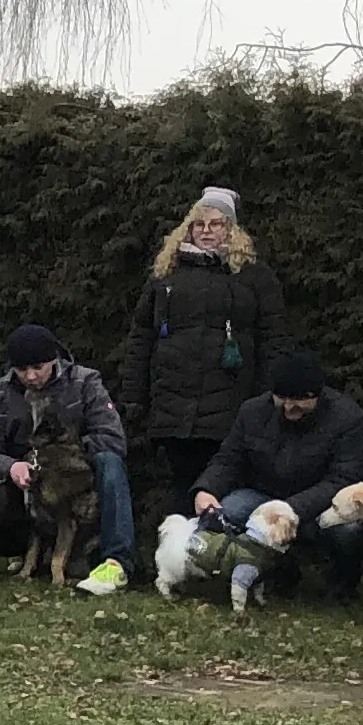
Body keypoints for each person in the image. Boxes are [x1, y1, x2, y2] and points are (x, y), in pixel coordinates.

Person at [116, 188, 290, 511]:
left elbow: (273, 339)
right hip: (173, 404)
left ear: (231, 229)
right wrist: (133, 396)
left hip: (230, 403)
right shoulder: (166, 275)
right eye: (199, 224)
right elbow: (141, 337)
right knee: (181, 488)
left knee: (224, 487)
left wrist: (267, 396)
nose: (206, 231)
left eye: (215, 224)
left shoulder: (254, 276)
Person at [188, 351, 363, 601]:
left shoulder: (348, 418)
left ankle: (341, 585)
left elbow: (344, 478)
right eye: (281, 398)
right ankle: (255, 573)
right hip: (264, 496)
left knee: (350, 529)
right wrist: (206, 489)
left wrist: (289, 508)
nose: (288, 407)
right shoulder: (252, 411)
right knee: (229, 509)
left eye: (298, 400)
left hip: (323, 505)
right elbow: (229, 459)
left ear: (317, 395)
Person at [0, 324, 136, 594]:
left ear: (54, 360)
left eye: (38, 367)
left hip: (74, 480)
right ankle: (9, 548)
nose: (30, 376)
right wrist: (11, 466)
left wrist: (63, 454)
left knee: (110, 463)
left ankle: (117, 562)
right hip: (24, 486)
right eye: (22, 369)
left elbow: (112, 438)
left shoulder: (85, 382)